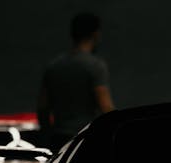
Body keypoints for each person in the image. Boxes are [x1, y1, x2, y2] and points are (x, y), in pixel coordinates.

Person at [36, 12, 114, 151]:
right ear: (95, 34)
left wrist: (47, 136)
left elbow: (43, 107)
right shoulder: (95, 66)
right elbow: (105, 108)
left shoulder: (54, 66)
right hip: (85, 139)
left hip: (58, 139)